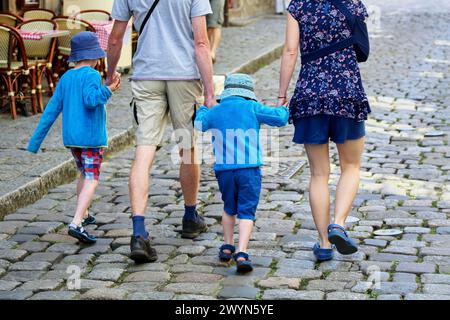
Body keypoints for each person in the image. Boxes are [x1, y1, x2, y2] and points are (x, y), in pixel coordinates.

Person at [107, 0, 215, 263]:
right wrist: (210, 92)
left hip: (147, 76)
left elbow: (115, 39)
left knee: (143, 153)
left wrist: (110, 75)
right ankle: (190, 216)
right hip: (184, 77)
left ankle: (138, 231)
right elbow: (201, 43)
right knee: (187, 148)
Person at [277, 0, 371, 261]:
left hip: (310, 96)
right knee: (350, 166)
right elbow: (363, 50)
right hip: (347, 94)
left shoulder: (298, 7)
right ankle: (338, 224)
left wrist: (282, 95)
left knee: (319, 173)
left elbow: (289, 51)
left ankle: (324, 243)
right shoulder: (354, 5)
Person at [27, 32, 121, 244]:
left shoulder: (66, 78)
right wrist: (109, 90)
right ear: (95, 56)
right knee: (91, 177)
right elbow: (91, 100)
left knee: (83, 173)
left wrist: (35, 142)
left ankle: (85, 213)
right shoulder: (92, 75)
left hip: (72, 139)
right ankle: (76, 222)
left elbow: (51, 110)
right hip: (90, 138)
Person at [195, 74, 289, 272]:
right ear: (248, 94)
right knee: (246, 210)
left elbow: (199, 125)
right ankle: (242, 252)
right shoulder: (252, 108)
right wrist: (283, 106)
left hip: (224, 171)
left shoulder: (216, 110)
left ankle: (228, 246)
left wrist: (204, 107)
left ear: (227, 93)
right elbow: (280, 119)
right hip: (249, 170)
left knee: (229, 208)